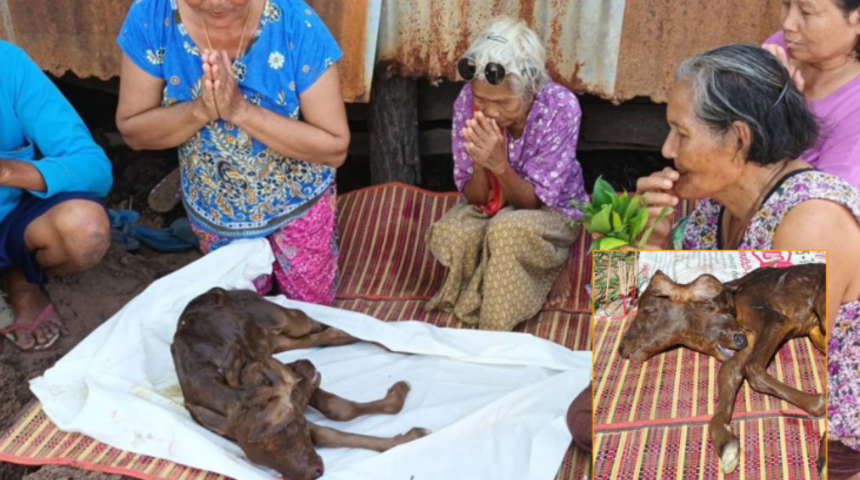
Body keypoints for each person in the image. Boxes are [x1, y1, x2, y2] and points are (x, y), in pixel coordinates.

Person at [632, 43, 860, 479]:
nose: (666, 150)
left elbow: (776, 353)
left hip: (832, 428)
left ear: (739, 138)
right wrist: (652, 244)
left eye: (681, 133)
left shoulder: (809, 221)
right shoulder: (719, 204)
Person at [115, 0, 349, 306]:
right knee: (241, 315)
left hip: (297, 203)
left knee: (310, 310)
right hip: (216, 212)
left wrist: (239, 110)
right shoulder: (152, 16)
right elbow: (133, 131)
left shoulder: (296, 23)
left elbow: (334, 148)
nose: (216, 3)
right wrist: (201, 110)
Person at [425, 17, 587, 332]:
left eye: (502, 102)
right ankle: (503, 268)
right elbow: (473, 198)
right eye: (482, 99)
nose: (488, 111)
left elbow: (532, 204)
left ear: (531, 90)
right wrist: (482, 162)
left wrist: (499, 163)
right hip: (493, 206)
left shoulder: (561, 107)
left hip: (549, 209)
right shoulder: (467, 104)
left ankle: (550, 263)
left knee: (506, 231)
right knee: (452, 234)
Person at [0, 41, 112, 351]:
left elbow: (94, 167)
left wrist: (8, 171)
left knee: (84, 228)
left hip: (12, 224)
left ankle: (21, 273)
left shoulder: (7, 65)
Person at [762, 0, 860, 188]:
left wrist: (784, 114)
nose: (787, 24)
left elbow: (830, 204)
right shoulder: (781, 47)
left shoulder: (855, 108)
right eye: (786, 4)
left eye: (806, 12)